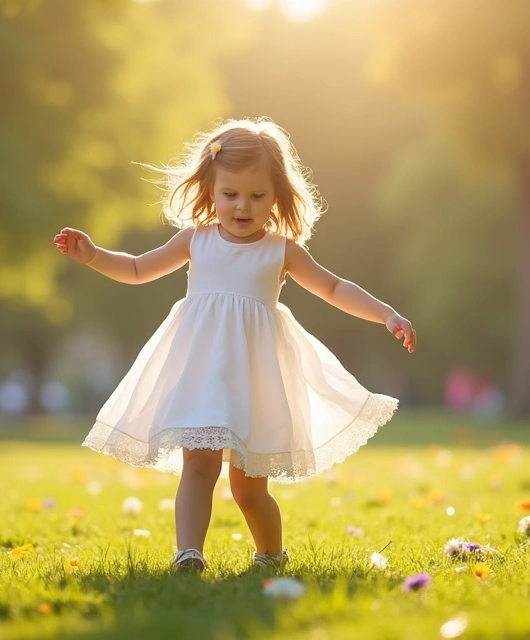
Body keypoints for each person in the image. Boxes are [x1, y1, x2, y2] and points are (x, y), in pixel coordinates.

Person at [54, 118, 416, 574]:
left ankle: (270, 554)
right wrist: (94, 255)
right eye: (231, 195)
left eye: (257, 196)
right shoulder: (197, 241)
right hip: (202, 373)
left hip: (253, 380)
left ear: (277, 197)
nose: (242, 206)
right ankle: (189, 553)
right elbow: (137, 269)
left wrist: (386, 313)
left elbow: (334, 288)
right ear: (211, 191)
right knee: (199, 468)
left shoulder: (281, 251)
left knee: (249, 489)